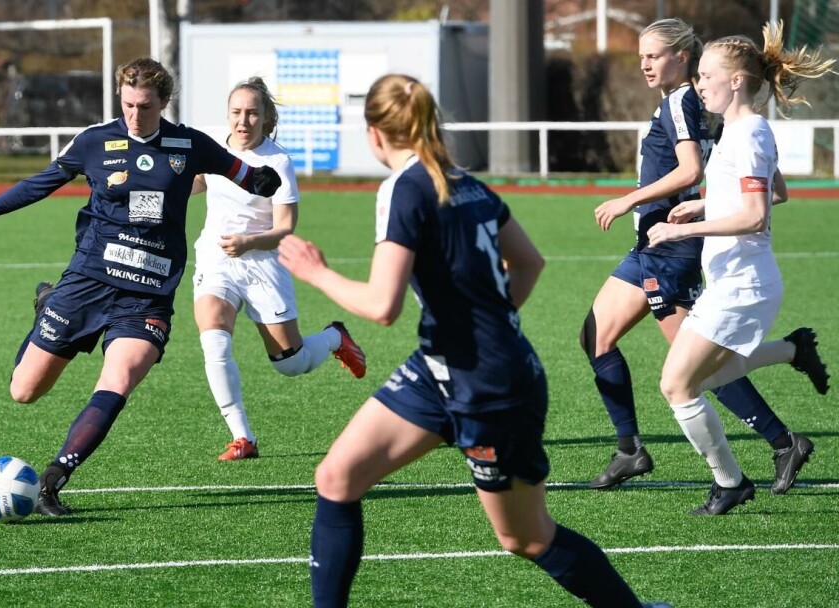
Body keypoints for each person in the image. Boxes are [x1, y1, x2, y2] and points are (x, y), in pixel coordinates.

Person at [278, 74, 669, 608]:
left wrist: (316, 272)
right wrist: (485, 321)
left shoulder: (405, 187)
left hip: (486, 385)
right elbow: (530, 262)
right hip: (444, 366)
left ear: (374, 135)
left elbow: (382, 306)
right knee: (337, 477)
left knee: (525, 537)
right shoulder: (464, 180)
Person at [0, 57, 281, 516]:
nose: (135, 114)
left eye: (146, 106)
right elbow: (38, 185)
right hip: (88, 282)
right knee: (24, 391)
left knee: (120, 377)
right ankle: (48, 304)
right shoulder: (95, 141)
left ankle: (55, 478)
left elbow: (246, 174)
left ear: (164, 102)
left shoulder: (190, 144)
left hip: (148, 294)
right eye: (128, 104)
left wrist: (263, 180)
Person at [583, 18, 817, 495]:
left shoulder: (685, 102)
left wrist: (633, 200)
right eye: (642, 56)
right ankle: (631, 448)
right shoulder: (701, 104)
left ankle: (776, 442)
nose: (645, 64)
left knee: (690, 368)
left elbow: (692, 169)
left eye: (654, 56)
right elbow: (740, 184)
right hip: (654, 243)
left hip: (671, 247)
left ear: (683, 57)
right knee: (597, 335)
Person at [646, 22, 833, 515]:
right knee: (707, 380)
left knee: (677, 385)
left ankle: (729, 482)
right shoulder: (741, 131)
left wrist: (681, 229)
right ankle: (795, 350)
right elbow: (777, 191)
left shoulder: (748, 133)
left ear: (735, 81)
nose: (700, 83)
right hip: (736, 282)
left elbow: (755, 214)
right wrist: (702, 205)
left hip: (743, 286)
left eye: (706, 75)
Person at [190, 77, 366, 461]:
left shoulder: (277, 161)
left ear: (267, 118)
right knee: (214, 342)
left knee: (291, 363)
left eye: (252, 112)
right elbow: (194, 182)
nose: (243, 120)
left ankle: (335, 338)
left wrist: (250, 242)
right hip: (216, 260)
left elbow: (285, 226)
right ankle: (243, 438)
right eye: (236, 112)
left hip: (262, 262)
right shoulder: (215, 151)